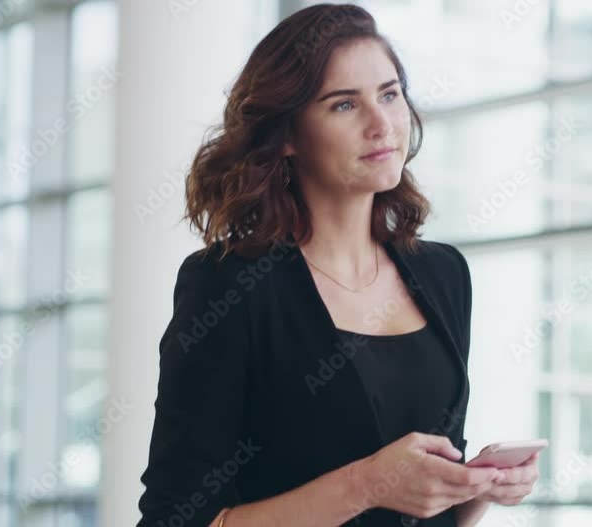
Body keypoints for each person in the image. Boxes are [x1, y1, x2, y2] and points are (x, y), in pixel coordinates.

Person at [135, 4, 539, 526]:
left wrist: (477, 486)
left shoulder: (444, 274)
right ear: (286, 135)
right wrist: (366, 484)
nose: (382, 124)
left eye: (389, 94)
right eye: (345, 105)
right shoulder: (228, 284)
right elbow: (174, 519)